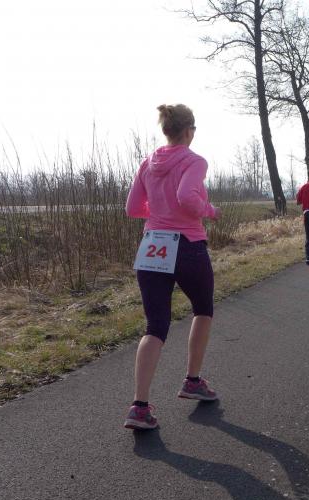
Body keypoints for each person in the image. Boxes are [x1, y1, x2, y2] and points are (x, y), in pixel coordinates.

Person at [124, 104, 221, 430]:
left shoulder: (147, 163)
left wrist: (158, 213)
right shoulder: (194, 161)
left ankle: (139, 407)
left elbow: (132, 208)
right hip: (188, 245)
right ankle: (192, 381)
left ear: (166, 130)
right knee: (203, 309)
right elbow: (186, 197)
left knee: (155, 326)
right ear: (189, 130)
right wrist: (209, 210)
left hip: (153, 245)